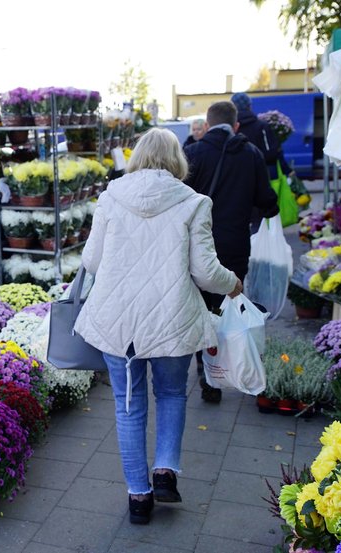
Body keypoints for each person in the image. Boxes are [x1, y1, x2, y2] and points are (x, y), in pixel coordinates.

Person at [74, 128, 242, 525]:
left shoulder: (110, 197)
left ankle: (138, 498)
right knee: (171, 394)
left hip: (119, 324)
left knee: (128, 407)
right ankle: (165, 472)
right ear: (177, 160)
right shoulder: (194, 202)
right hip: (173, 319)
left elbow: (92, 261)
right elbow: (204, 272)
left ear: (137, 158)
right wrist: (232, 283)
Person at [184, 100, 280, 403]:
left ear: (208, 125)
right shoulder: (251, 154)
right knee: (228, 307)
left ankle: (207, 372)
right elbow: (268, 201)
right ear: (236, 126)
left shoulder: (194, 153)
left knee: (203, 309)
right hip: (236, 247)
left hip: (199, 249)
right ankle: (232, 366)